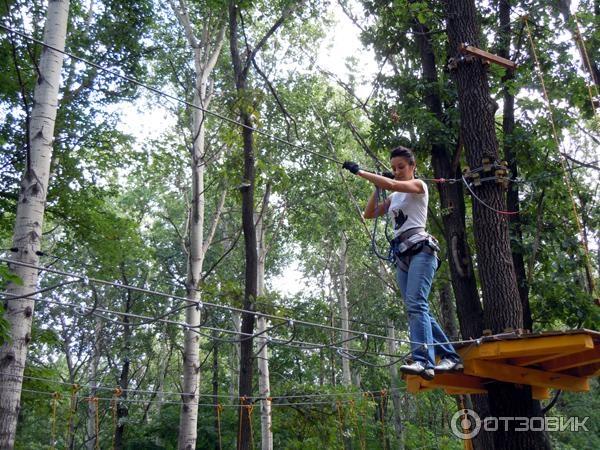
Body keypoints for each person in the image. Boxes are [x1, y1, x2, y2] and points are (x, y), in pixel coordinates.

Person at [342, 146, 462, 380]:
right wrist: (377, 187)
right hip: (402, 255)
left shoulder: (419, 186)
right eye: (393, 168)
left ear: (412, 167)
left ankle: (423, 361)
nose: (396, 171)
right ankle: (450, 356)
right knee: (415, 308)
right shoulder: (394, 196)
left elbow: (395, 184)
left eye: (401, 167)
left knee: (417, 304)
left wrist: (361, 172)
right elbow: (370, 213)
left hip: (421, 251)